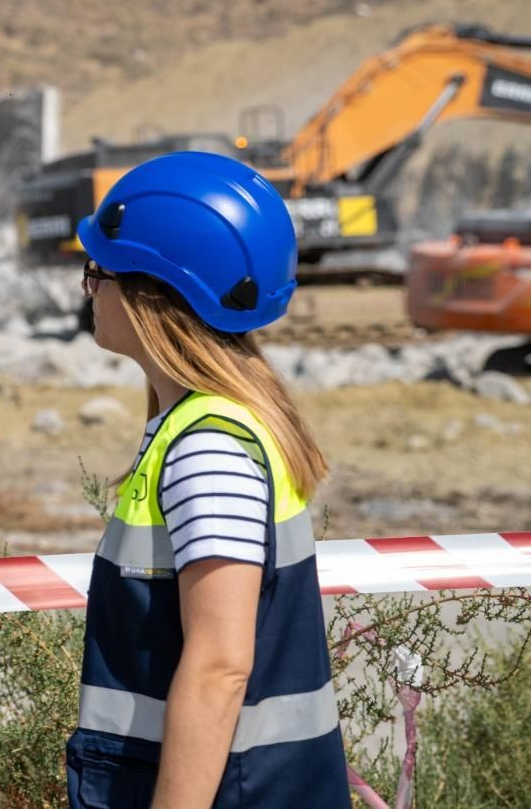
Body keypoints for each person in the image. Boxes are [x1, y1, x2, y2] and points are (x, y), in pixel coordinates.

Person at [67, 151, 348, 808]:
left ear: (154, 295)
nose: (89, 291)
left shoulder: (208, 449)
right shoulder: (203, 427)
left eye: (97, 272)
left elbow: (220, 667)